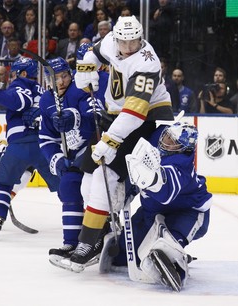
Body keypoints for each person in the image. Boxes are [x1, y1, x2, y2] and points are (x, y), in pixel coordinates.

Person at [70, 15, 174, 272]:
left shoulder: (146, 63)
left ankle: (87, 242)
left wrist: (111, 140)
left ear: (141, 38)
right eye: (125, 42)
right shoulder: (110, 41)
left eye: (135, 41)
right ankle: (101, 231)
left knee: (104, 177)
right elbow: (93, 53)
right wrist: (86, 70)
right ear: (116, 38)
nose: (129, 47)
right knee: (87, 177)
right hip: (115, 116)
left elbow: (136, 113)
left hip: (146, 119)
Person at [105, 122, 212, 291]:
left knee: (166, 245)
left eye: (173, 141)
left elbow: (164, 193)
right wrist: (127, 189)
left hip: (188, 213)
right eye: (167, 136)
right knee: (121, 255)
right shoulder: (159, 138)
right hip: (152, 211)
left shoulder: (181, 163)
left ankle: (176, 262)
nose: (166, 141)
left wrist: (149, 178)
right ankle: (164, 251)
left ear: (183, 148)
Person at [0, 56, 60, 240]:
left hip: (22, 143)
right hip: (46, 144)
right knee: (66, 186)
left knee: (3, 184)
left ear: (22, 73)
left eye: (14, 74)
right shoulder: (43, 90)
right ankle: (85, 220)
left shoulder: (21, 84)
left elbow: (19, 102)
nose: (11, 78)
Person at [38, 52, 108, 270]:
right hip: (70, 157)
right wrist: (57, 160)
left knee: (90, 191)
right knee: (68, 188)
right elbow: (46, 139)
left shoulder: (80, 88)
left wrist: (73, 116)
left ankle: (95, 237)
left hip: (92, 150)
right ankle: (71, 244)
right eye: (55, 78)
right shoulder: (46, 100)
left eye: (64, 76)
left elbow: (96, 113)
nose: (60, 81)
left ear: (70, 75)